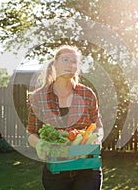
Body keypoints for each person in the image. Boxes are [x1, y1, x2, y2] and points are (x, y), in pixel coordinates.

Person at [27, 45, 104, 190]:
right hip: (56, 171)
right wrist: (41, 145)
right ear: (54, 64)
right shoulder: (38, 98)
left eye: (74, 61)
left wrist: (94, 140)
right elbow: (31, 132)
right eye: (65, 60)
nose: (70, 64)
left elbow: (98, 126)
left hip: (87, 170)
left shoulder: (87, 94)